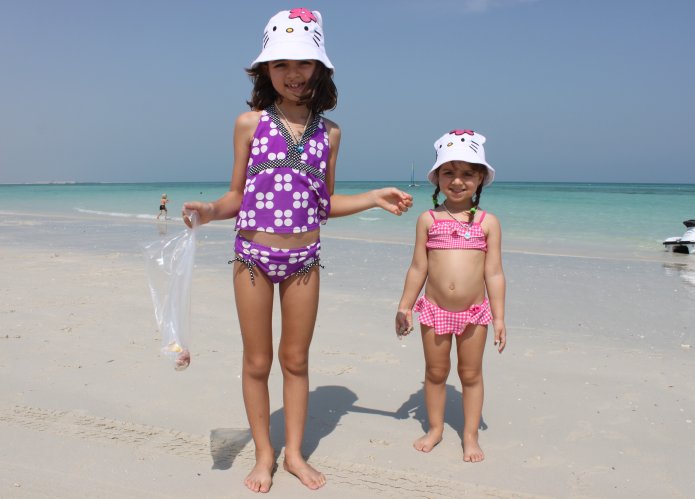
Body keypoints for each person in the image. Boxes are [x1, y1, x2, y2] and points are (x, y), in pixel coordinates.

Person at [181, 8, 412, 493]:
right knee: (257, 362)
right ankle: (265, 455)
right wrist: (207, 210)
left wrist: (372, 197)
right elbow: (237, 196)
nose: (293, 74)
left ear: (319, 68)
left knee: (297, 360)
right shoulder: (249, 124)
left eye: (304, 63)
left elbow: (323, 204)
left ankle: (294, 455)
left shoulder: (330, 134)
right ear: (265, 70)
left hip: (305, 261)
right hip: (252, 259)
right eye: (281, 63)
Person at [395, 129, 506, 463]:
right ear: (437, 178)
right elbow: (418, 267)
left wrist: (499, 317)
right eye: (449, 172)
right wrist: (405, 306)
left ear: (481, 178)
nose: (458, 181)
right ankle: (435, 429)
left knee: (471, 374)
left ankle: (470, 436)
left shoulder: (488, 223)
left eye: (468, 173)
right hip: (434, 310)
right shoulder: (428, 220)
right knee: (436, 372)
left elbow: (494, 273)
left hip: (474, 313)